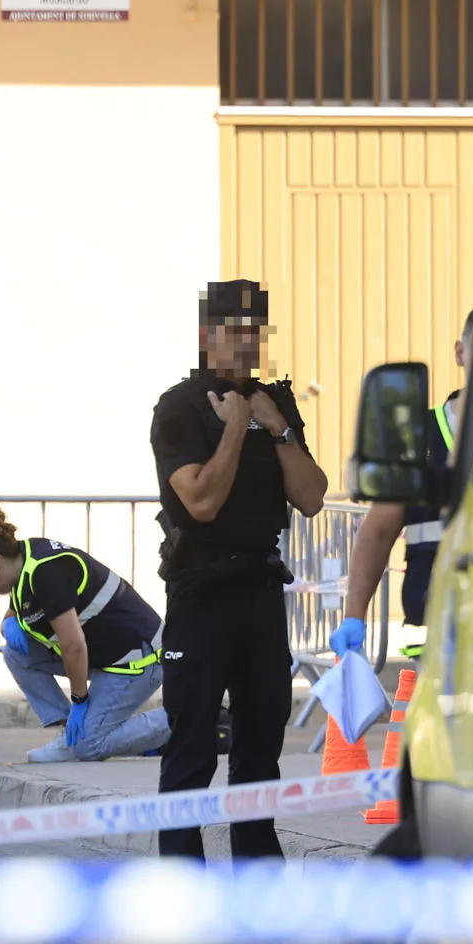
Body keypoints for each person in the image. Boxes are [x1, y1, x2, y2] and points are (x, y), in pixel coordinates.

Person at [150, 279, 329, 859]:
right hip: (200, 591)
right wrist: (234, 426)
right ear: (209, 337)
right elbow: (199, 501)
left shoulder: (273, 401)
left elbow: (311, 496)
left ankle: (257, 874)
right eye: (237, 334)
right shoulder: (179, 407)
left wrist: (275, 427)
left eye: (257, 334)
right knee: (193, 745)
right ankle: (182, 878)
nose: (249, 347)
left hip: (257, 589)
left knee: (260, 744)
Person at [0, 508, 170, 763]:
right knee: (15, 654)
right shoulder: (22, 561)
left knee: (88, 747)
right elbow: (17, 611)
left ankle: (188, 717)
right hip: (105, 656)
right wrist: (9, 624)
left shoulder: (46, 572)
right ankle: (71, 734)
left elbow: (72, 644)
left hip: (139, 660)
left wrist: (79, 700)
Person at [331, 307, 473, 662]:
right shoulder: (419, 435)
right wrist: (353, 617)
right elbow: (379, 530)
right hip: (436, 636)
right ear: (460, 352)